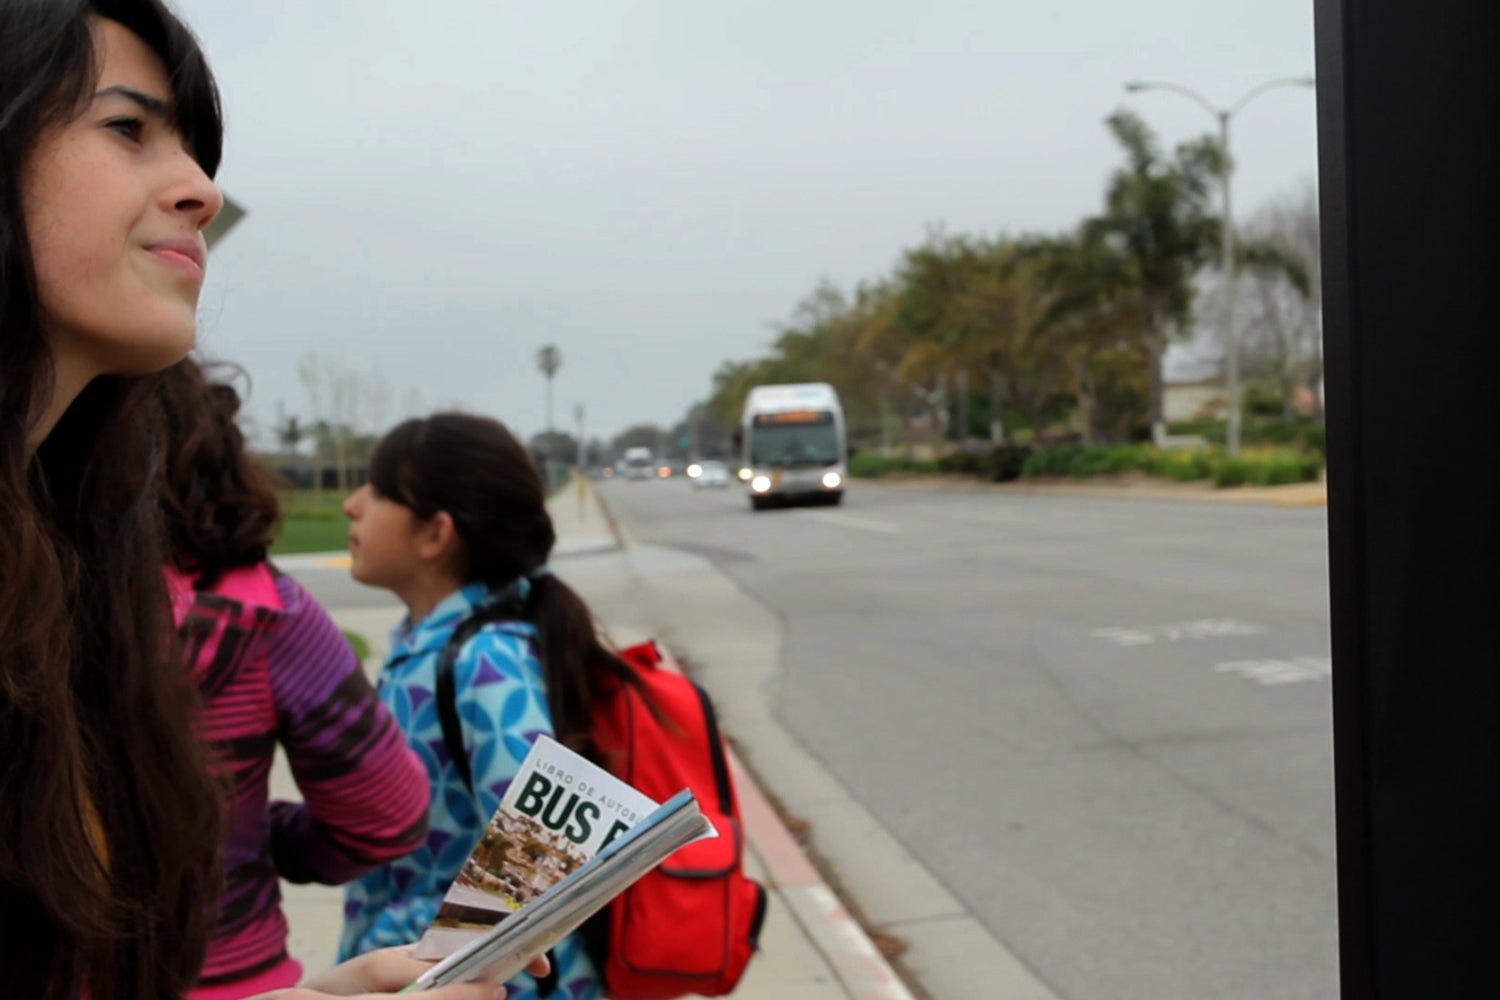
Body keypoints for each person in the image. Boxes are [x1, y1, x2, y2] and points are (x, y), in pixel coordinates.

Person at [0, 2, 542, 996]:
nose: (202, 190)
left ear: (437, 528)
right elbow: (386, 813)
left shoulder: (80, 583)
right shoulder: (244, 615)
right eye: (127, 128)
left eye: (375, 490)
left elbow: (523, 833)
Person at [338, 413, 650, 1000]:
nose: (353, 504)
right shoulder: (424, 643)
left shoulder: (486, 663)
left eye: (378, 491)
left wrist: (399, 944)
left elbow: (539, 872)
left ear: (435, 533)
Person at [155, 356, 434, 998]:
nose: (350, 501)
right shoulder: (264, 614)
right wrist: (260, 836)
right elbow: (387, 814)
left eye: (380, 488)